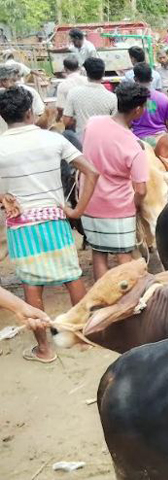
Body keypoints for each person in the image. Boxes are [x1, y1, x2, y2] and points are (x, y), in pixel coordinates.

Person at [0, 86, 99, 363]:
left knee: (32, 284)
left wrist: (3, 198)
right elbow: (92, 172)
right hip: (55, 219)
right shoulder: (53, 140)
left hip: (21, 225)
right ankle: (83, 336)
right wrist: (77, 210)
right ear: (31, 112)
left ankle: (44, 349)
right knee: (71, 276)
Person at [81, 82, 149, 281]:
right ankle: (125, 304)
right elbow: (142, 190)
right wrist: (133, 206)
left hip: (89, 202)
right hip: (118, 208)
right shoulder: (133, 145)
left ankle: (102, 296)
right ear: (137, 110)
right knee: (124, 258)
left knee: (99, 254)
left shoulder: (92, 123)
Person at [63, 57, 117, 142]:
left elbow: (66, 121)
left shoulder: (73, 93)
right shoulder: (112, 97)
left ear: (86, 73)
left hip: (82, 142)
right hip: (105, 142)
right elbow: (116, 124)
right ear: (103, 74)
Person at [130, 62, 168, 145]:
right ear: (151, 79)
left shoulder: (130, 99)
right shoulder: (163, 98)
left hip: (138, 140)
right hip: (161, 140)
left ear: (135, 79)